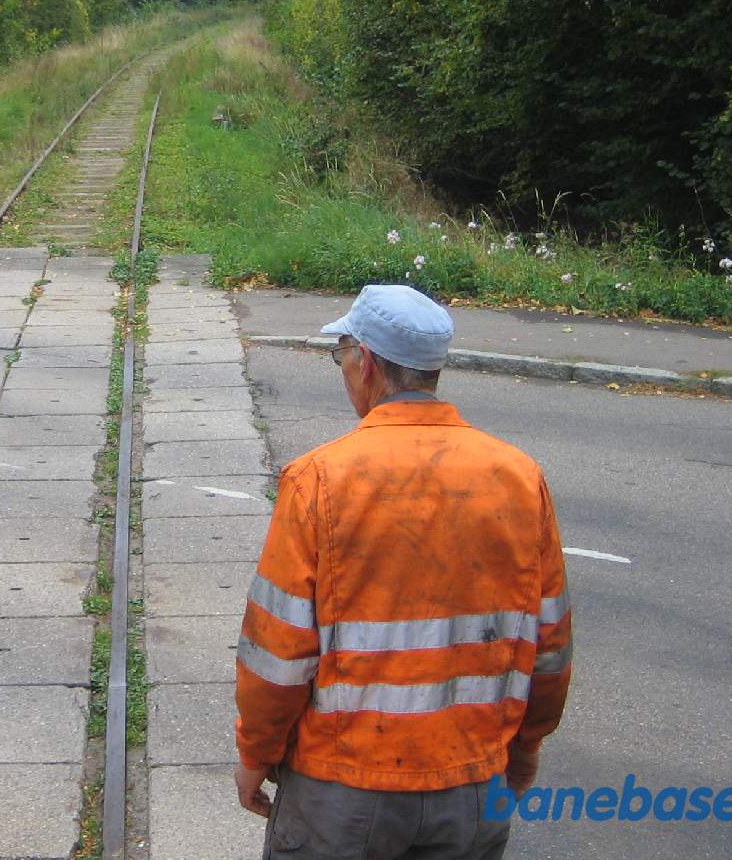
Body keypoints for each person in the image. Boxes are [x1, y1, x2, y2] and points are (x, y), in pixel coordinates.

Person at [234, 284, 572, 859]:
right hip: (471, 783)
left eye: (341, 352)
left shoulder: (320, 480)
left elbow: (279, 650)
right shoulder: (517, 476)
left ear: (364, 362)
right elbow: (550, 644)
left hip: (340, 792)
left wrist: (254, 755)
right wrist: (527, 744)